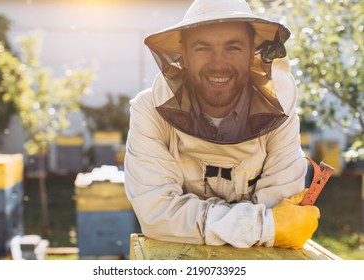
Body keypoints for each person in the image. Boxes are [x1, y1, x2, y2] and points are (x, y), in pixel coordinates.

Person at [124, 0, 320, 249]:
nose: (218, 63)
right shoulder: (149, 111)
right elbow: (157, 214)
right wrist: (263, 227)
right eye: (202, 48)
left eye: (233, 48)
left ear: (253, 53)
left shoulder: (279, 112)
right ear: (183, 55)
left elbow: (280, 209)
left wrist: (190, 219)